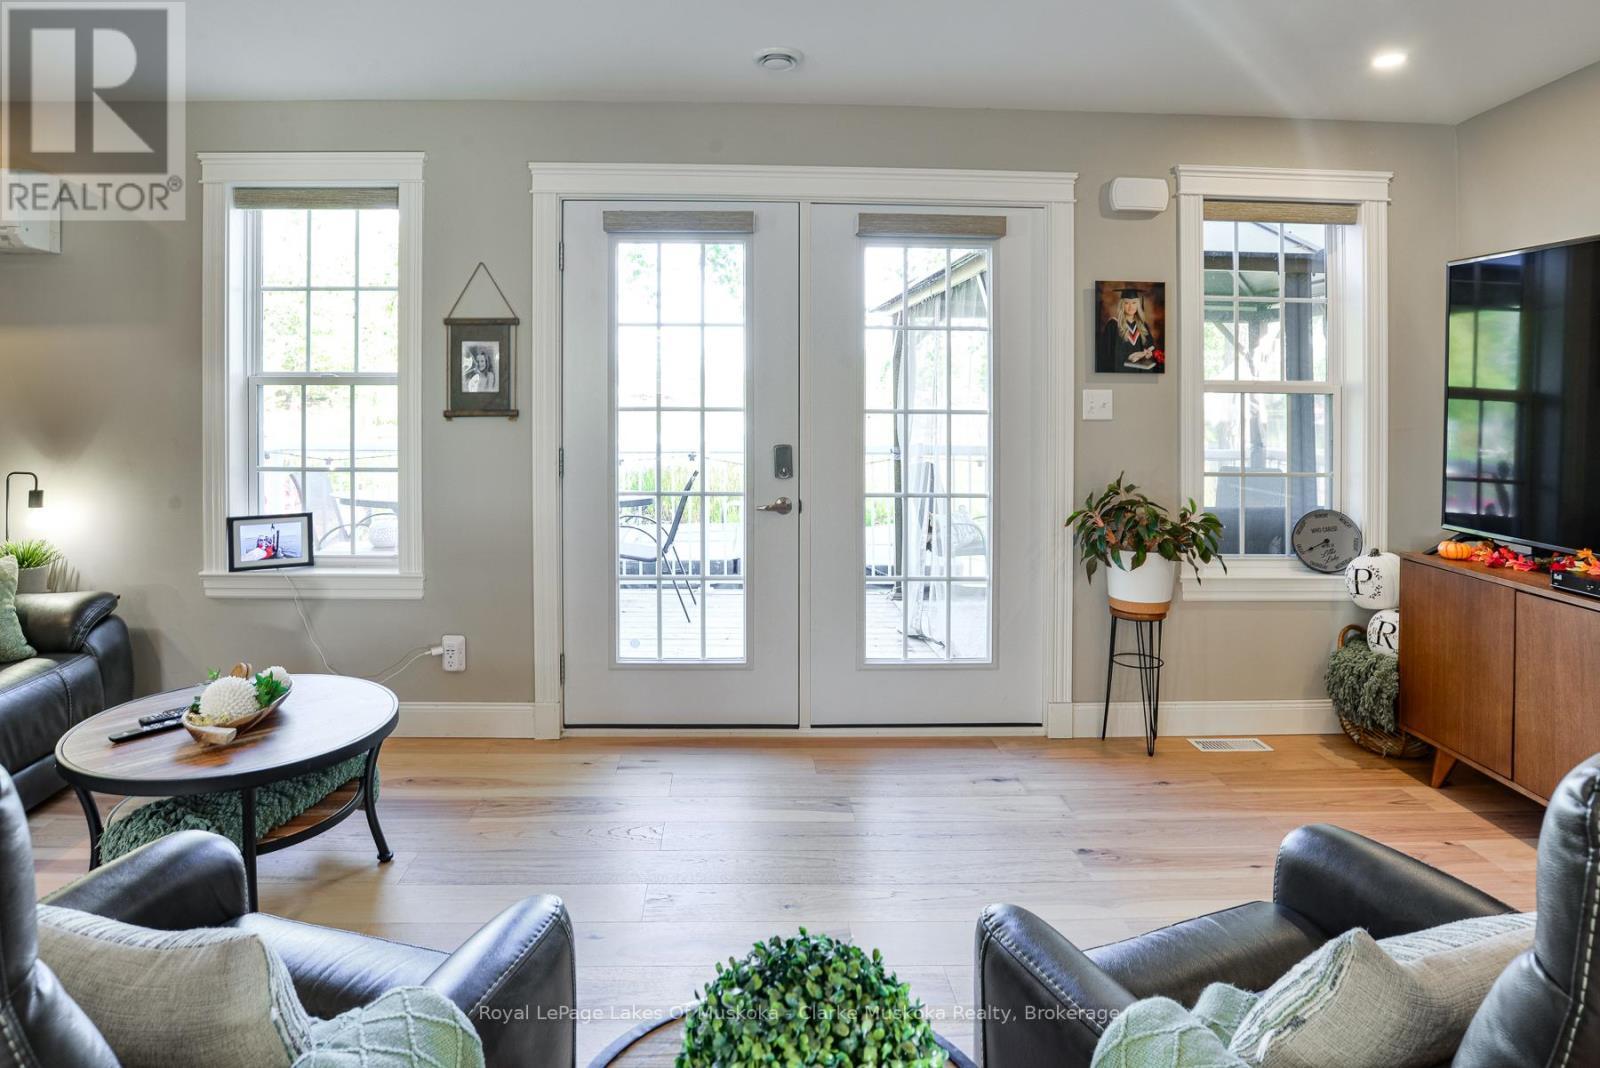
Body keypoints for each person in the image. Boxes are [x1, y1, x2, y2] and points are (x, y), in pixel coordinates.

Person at [1099, 287, 1159, 371]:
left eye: (1134, 303)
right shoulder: (1113, 325)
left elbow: (1150, 345)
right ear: (1122, 305)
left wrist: (1148, 353)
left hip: (1138, 371)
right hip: (1119, 371)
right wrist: (1129, 357)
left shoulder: (1143, 326)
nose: (1131, 307)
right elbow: (1105, 352)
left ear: (1137, 305)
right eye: (1127, 303)